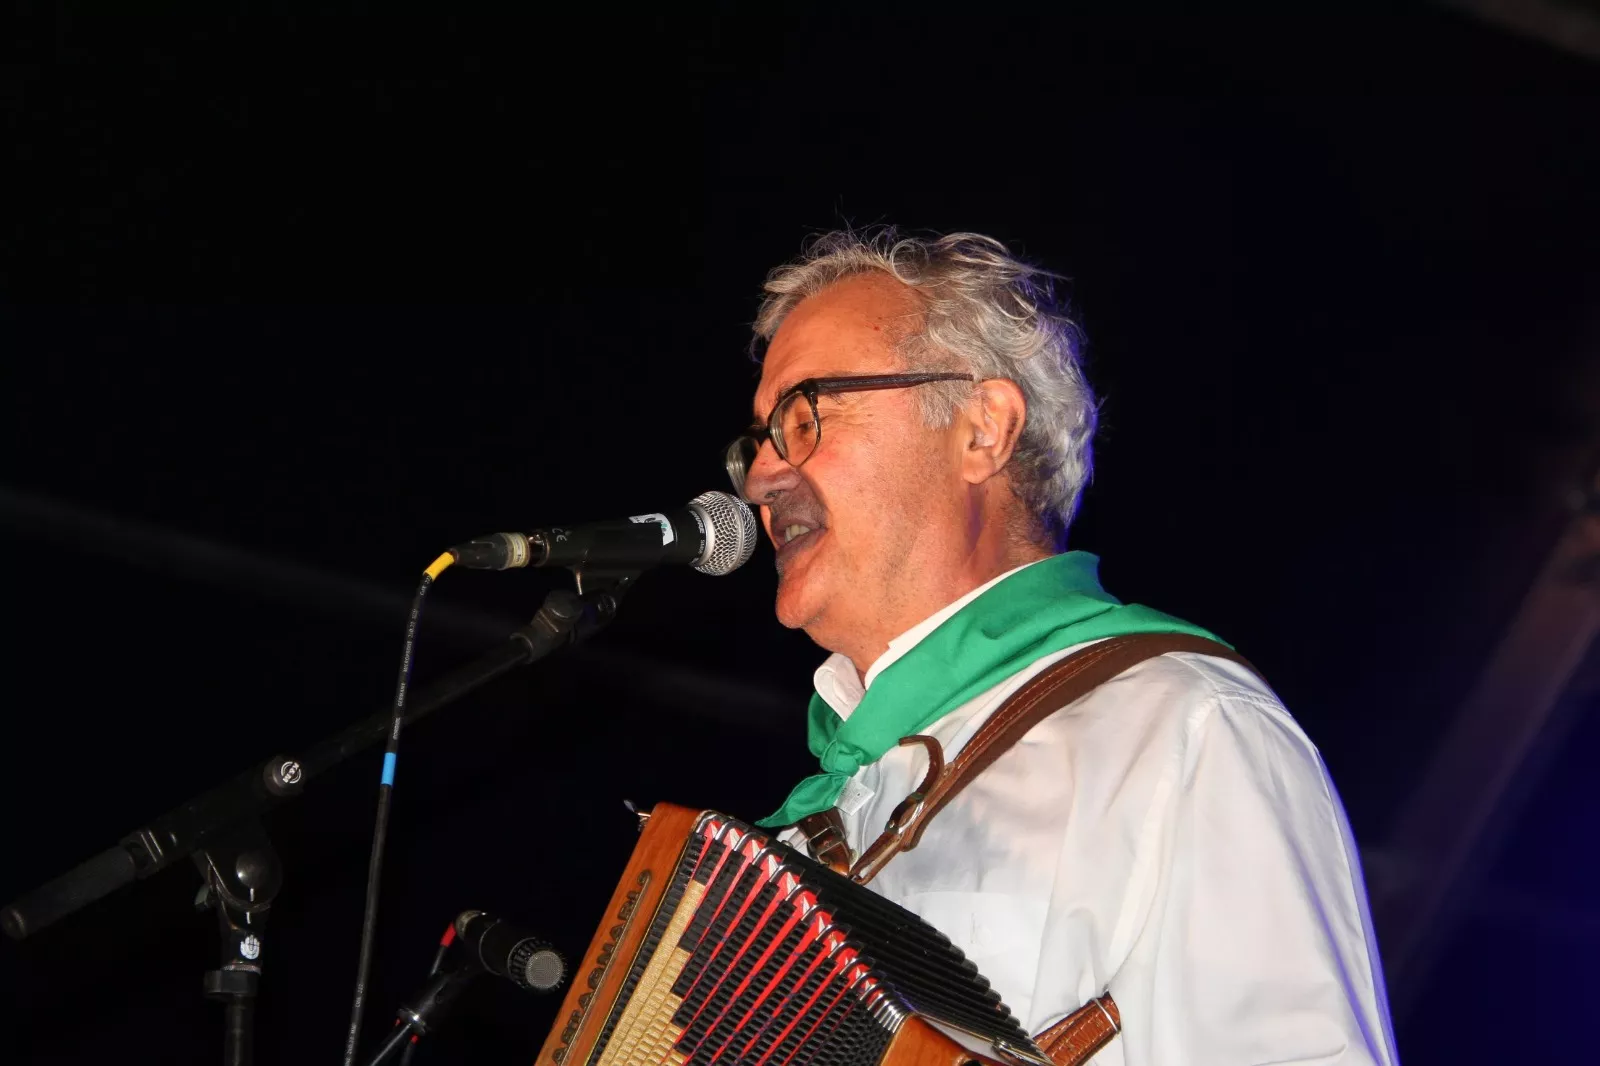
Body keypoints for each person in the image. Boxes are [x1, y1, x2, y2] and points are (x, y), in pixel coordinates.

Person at [724, 230, 1399, 1065]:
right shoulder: (798, 835)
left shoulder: (1178, 727)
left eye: (804, 415)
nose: (760, 476)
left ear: (983, 430)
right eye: (758, 439)